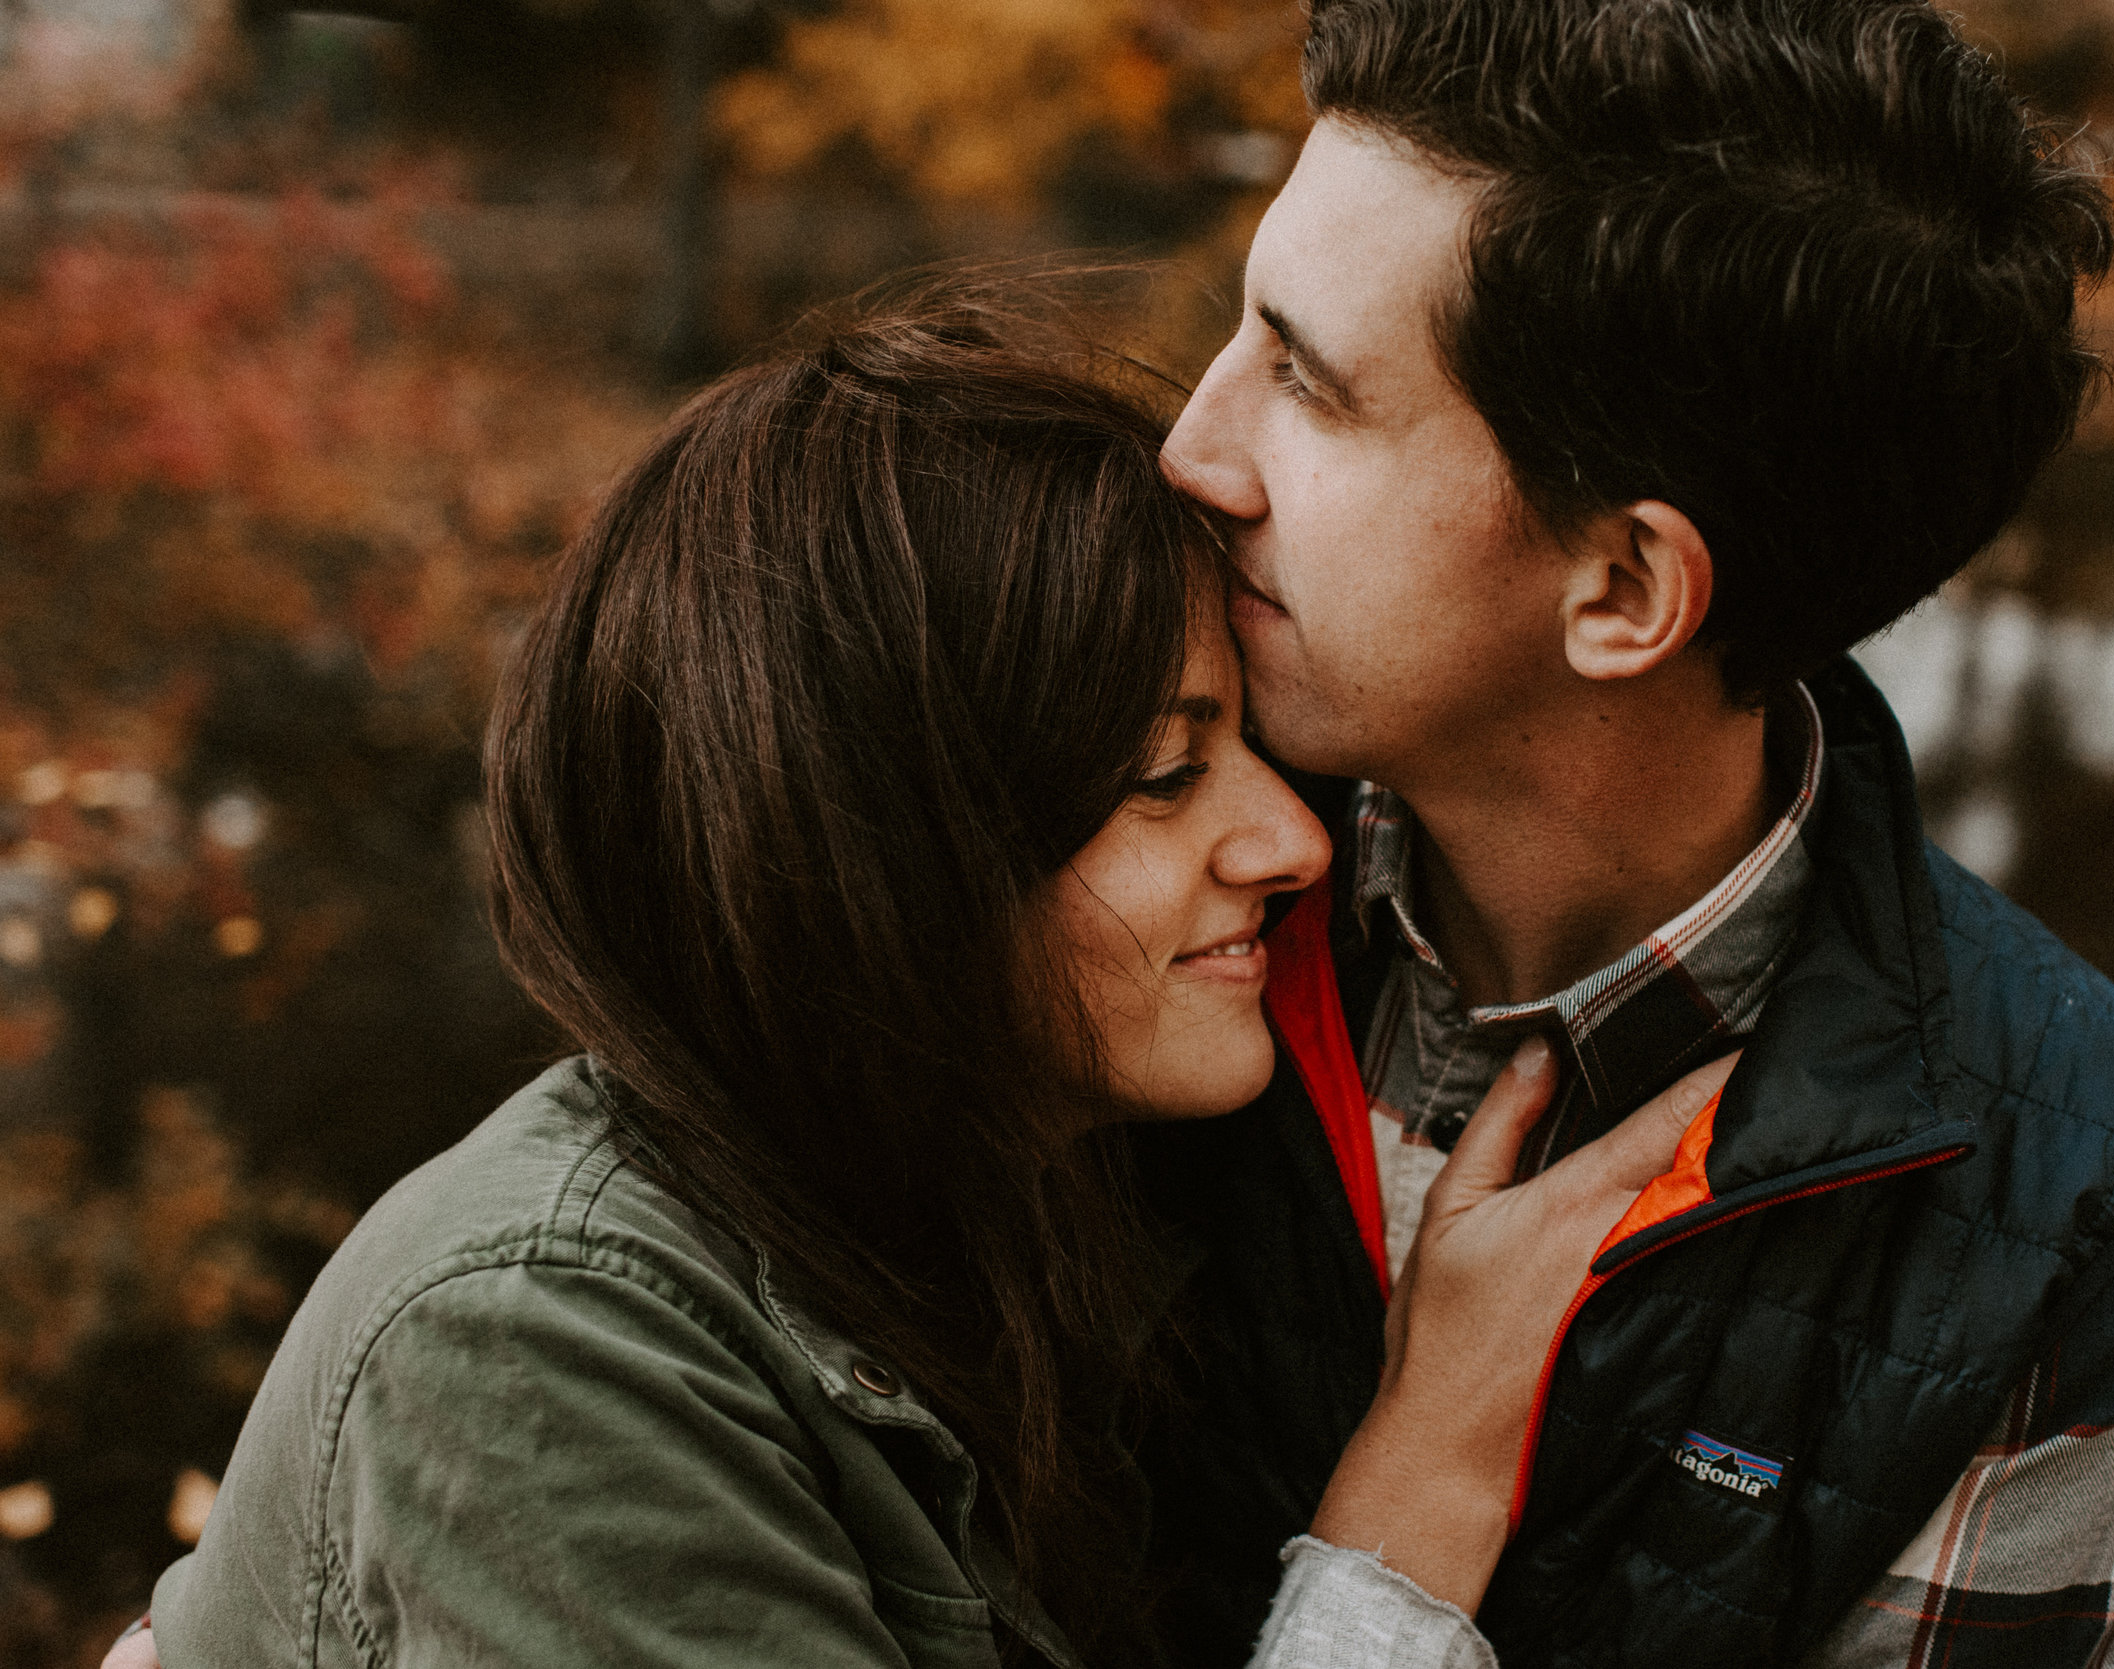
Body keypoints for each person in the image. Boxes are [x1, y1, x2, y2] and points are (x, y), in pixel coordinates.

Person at [114, 303, 1737, 1669]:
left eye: (1254, 740)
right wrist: (1410, 1510)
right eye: (1169, 775)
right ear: (888, 861)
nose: (1294, 837)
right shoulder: (544, 1351)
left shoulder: (998, 1214)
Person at [1131, 1, 2114, 1665]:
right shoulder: (1068, 883)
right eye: (1242, 329)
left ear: (1624, 588)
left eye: (1308, 382)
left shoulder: (2067, 1187)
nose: (1193, 447)